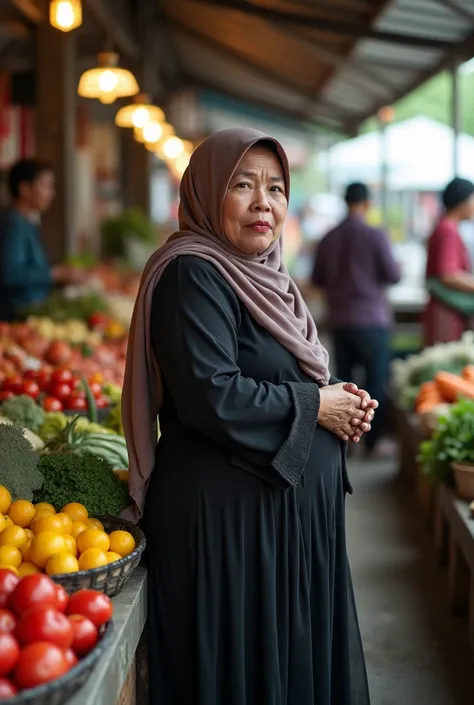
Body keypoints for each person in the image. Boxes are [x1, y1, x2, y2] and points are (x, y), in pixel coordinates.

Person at [122, 129, 377, 705]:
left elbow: (281, 376)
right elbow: (214, 395)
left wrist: (339, 401)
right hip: (230, 529)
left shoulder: (271, 279)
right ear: (208, 193)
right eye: (243, 184)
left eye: (277, 188)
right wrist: (318, 405)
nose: (265, 202)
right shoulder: (192, 275)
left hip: (280, 524)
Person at [311, 182, 400, 459]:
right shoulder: (376, 235)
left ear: (345, 201)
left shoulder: (329, 238)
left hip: (340, 319)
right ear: (367, 203)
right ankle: (373, 444)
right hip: (372, 319)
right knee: (375, 380)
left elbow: (317, 278)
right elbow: (393, 275)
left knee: (345, 383)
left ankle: (348, 441)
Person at [0, 158, 85, 321]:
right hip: (18, 317)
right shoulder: (15, 224)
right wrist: (57, 273)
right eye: (45, 185)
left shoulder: (26, 222)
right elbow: (12, 274)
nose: (51, 193)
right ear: (24, 189)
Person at [424, 177, 474, 346]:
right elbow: (448, 274)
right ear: (463, 201)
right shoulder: (448, 230)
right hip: (446, 315)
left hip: (443, 312)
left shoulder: (444, 227)